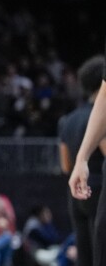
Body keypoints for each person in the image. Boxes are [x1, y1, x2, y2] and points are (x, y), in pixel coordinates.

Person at [59, 54, 105, 266]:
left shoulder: (67, 120)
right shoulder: (99, 118)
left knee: (85, 253)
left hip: (75, 188)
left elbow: (65, 164)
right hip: (98, 186)